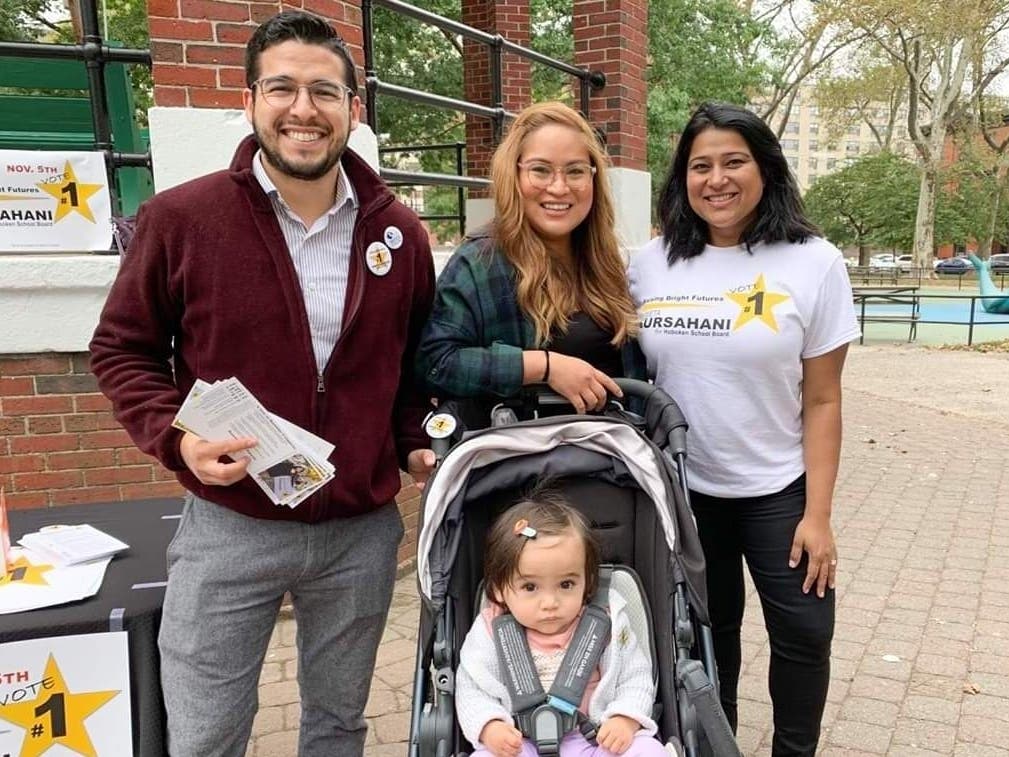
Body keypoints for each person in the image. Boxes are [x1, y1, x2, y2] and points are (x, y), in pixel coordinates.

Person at [89, 11, 436, 756]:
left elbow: (409, 364)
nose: (303, 109)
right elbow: (122, 351)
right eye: (281, 87)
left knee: (337, 725)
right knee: (206, 732)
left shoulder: (399, 234)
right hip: (230, 524)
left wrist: (412, 442)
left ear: (353, 107)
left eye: (323, 90)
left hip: (359, 533)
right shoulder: (180, 218)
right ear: (248, 102)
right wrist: (177, 438)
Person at [628, 102, 860, 756]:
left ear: (764, 169)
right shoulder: (649, 262)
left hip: (778, 489)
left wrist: (818, 514)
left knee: (805, 630)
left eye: (734, 161)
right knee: (708, 632)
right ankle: (714, 744)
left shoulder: (813, 262)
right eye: (700, 165)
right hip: (683, 491)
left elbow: (821, 399)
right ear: (682, 178)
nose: (716, 179)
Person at [416, 102, 643, 415]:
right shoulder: (479, 261)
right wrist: (542, 366)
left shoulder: (604, 261)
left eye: (575, 171)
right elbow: (435, 363)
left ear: (594, 179)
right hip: (522, 456)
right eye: (540, 170)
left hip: (613, 452)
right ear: (515, 175)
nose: (559, 187)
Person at [456, 493, 666, 757]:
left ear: (587, 582)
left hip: (595, 739)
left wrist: (625, 718)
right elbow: (472, 687)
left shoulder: (605, 619)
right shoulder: (491, 629)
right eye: (530, 587)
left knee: (647, 750)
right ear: (498, 589)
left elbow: (635, 675)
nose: (550, 602)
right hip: (522, 744)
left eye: (566, 584)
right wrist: (490, 725)